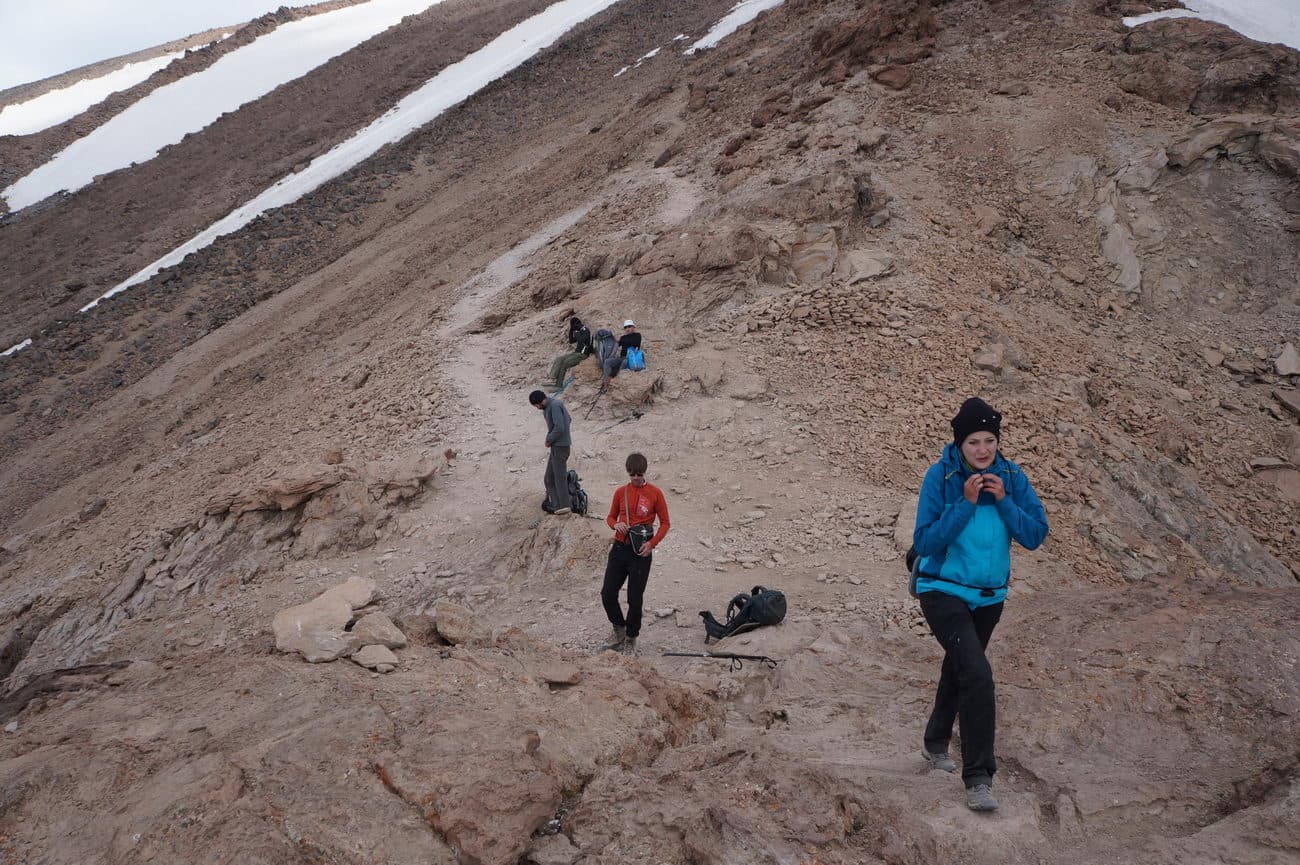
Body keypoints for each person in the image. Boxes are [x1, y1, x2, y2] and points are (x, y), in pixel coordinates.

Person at [912, 397, 1048, 813]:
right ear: (960, 443)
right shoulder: (941, 476)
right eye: (973, 441)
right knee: (977, 674)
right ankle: (979, 778)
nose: (983, 449)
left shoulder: (1011, 476)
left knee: (961, 667)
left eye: (989, 440)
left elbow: (1035, 535)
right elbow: (925, 542)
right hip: (942, 589)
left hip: (990, 597)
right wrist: (965, 503)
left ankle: (936, 743)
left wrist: (1004, 500)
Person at [601, 452, 670, 654]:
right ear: (628, 473)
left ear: (645, 472)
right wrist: (616, 525)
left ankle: (631, 637)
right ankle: (619, 629)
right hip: (619, 548)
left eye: (639, 474)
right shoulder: (620, 492)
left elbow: (665, 523)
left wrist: (652, 544)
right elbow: (610, 517)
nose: (636, 478)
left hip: (641, 552)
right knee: (607, 593)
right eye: (632, 474)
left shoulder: (655, 493)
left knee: (635, 598)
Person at [529, 390, 572, 515]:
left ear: (541, 401)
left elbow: (560, 427)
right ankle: (556, 506)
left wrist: (549, 439)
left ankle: (564, 506)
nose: (537, 408)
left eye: (537, 405)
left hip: (560, 447)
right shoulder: (551, 406)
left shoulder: (555, 406)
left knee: (559, 478)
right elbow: (568, 419)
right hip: (557, 446)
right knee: (549, 478)